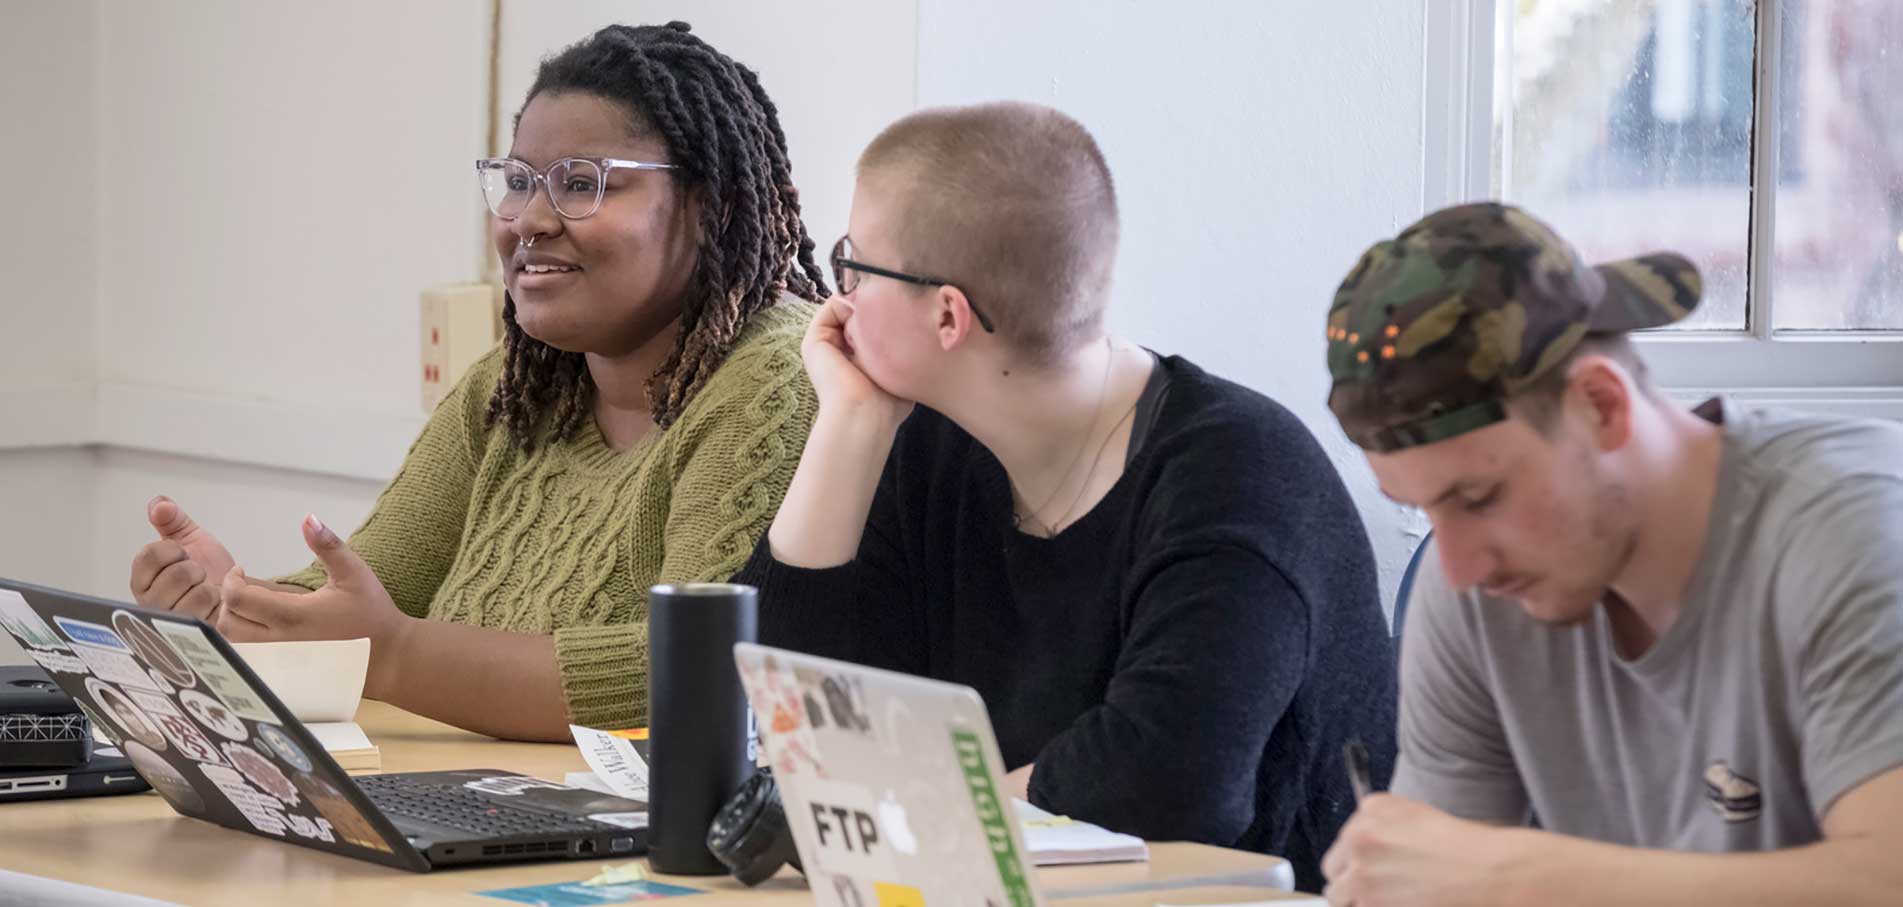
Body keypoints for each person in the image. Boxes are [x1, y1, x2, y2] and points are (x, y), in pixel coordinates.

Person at [734, 101, 1396, 891]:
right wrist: (849, 423)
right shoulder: (929, 442)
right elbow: (790, 717)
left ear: (947, 313)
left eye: (854, 263)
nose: (835, 298)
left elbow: (1167, 782)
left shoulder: (1238, 473)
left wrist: (911, 801)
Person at [125, 22, 825, 742]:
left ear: (717, 206)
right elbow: (365, 596)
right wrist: (230, 602)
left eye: (582, 184)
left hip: (623, 845)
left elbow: (695, 669)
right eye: (518, 182)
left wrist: (395, 655)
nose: (530, 220)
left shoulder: (778, 377)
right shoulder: (511, 387)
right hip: (463, 811)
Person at [1317, 202, 1903, 906]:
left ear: (1600, 405)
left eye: (1477, 497)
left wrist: (1519, 878)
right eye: (1424, 509)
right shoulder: (1480, 588)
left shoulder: (1857, 534)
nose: (1458, 565)